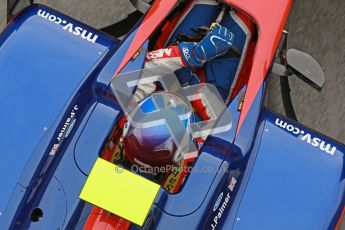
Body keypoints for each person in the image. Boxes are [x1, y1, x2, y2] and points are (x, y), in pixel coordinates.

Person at [121, 24, 235, 173]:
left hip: (175, 83)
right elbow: (224, 128)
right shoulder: (197, 162)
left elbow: (145, 66)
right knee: (237, 38)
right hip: (201, 97)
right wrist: (195, 89)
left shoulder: (120, 117)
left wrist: (193, 54)